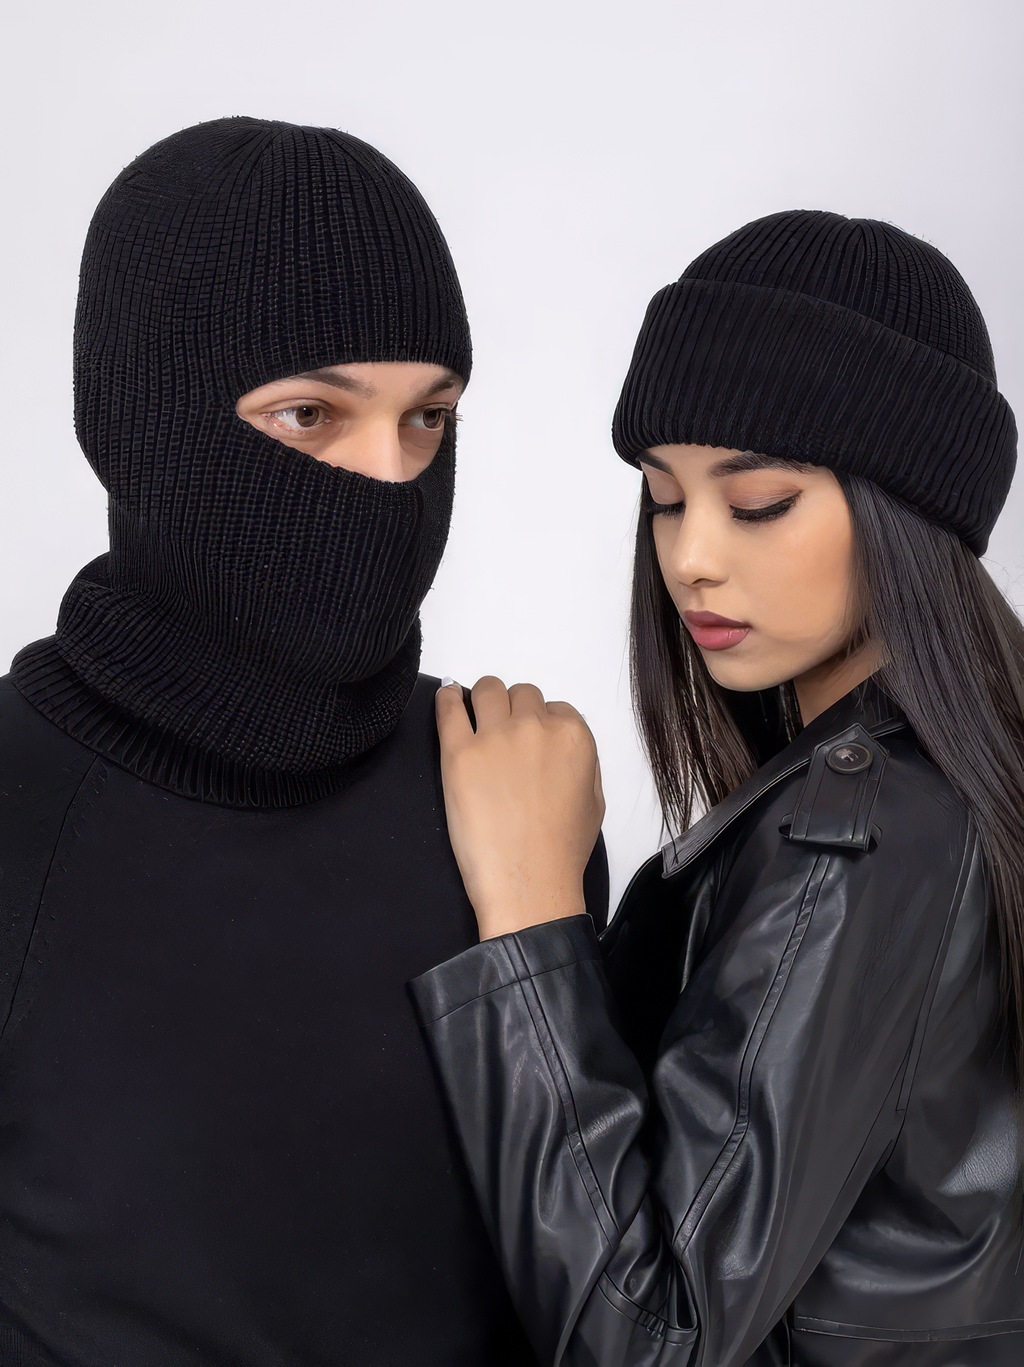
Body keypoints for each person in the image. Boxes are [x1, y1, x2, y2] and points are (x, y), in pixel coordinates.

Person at [0, 116, 606, 1366]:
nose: (388, 480)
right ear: (141, 416)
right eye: (308, 416)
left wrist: (541, 920)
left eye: (428, 419)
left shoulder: (507, 789)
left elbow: (609, 1305)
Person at [412, 210, 1024, 1365]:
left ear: (909, 510)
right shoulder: (945, 782)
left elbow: (652, 1335)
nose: (691, 553)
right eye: (662, 494)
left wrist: (529, 910)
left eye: (757, 503)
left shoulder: (863, 829)